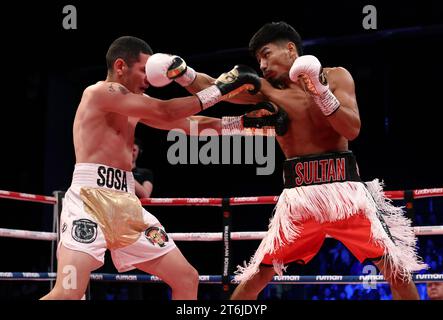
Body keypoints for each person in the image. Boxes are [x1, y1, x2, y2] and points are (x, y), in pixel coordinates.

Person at [144, 21, 427, 300]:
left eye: (266, 54)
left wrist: (319, 89)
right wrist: (183, 74)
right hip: (299, 199)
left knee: (397, 270)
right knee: (258, 275)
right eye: (258, 59)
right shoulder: (267, 90)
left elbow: (351, 129)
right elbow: (216, 87)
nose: (262, 65)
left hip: (346, 195)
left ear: (290, 49)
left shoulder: (337, 76)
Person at [41, 35, 261, 300]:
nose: (149, 78)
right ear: (121, 66)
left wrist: (242, 124)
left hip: (127, 205)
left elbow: (187, 123)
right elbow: (166, 111)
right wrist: (220, 90)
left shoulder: (136, 102)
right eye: (143, 70)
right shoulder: (99, 93)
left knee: (186, 278)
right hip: (88, 203)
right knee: (68, 292)